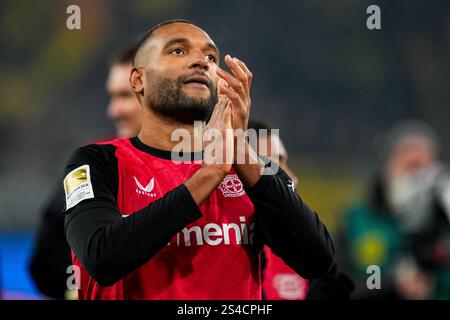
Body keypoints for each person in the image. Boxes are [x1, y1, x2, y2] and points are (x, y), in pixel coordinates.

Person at [61, 19, 336, 300]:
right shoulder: (98, 161)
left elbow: (316, 260)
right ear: (138, 79)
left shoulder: (251, 168)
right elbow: (101, 258)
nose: (201, 62)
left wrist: (239, 148)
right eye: (178, 51)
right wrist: (209, 173)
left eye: (210, 57)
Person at [29, 42, 141, 299]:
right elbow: (45, 262)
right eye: (111, 96)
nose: (113, 111)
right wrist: (83, 291)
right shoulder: (92, 163)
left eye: (125, 96)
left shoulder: (206, 163)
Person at [339, 120, 450, 299]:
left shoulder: (444, 227)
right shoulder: (358, 220)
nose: (415, 180)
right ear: (387, 166)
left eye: (422, 169)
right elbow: (340, 283)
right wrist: (392, 284)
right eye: (409, 167)